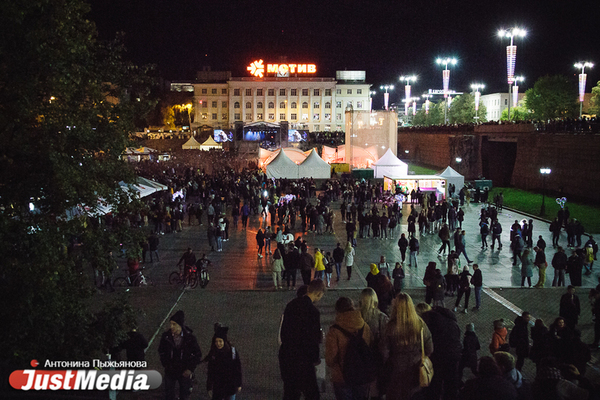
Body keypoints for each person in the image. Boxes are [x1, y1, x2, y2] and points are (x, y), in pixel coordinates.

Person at [381, 293, 433, 400]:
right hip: (416, 370)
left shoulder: (390, 327)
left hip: (396, 371)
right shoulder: (420, 324)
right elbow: (429, 348)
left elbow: (384, 352)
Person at [279, 279, 325, 400]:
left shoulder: (291, 304)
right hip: (303, 360)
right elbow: (313, 340)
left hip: (287, 356)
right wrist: (315, 359)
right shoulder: (313, 312)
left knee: (290, 393)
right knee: (312, 394)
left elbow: (284, 332)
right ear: (319, 294)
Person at [325, 297, 373, 399]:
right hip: (362, 373)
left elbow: (330, 359)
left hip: (342, 377)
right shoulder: (365, 326)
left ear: (337, 310)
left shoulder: (334, 331)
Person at [418, 303, 462, 400]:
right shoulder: (449, 319)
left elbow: (428, 343)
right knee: (451, 382)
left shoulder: (428, 322)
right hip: (455, 354)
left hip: (439, 356)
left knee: (435, 383)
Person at [158, 311, 203, 400]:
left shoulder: (190, 338)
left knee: (184, 394)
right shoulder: (166, 337)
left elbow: (198, 354)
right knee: (169, 394)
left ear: (180, 325)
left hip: (184, 371)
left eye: (174, 324)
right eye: (170, 324)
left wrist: (190, 369)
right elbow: (161, 351)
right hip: (170, 370)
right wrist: (166, 364)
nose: (171, 327)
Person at [359, 288, 389, 400]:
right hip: (377, 360)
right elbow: (386, 342)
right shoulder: (382, 317)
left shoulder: (356, 317)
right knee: (376, 392)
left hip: (360, 359)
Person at [205, 324, 242, 400]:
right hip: (218, 387)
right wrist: (209, 386)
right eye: (216, 341)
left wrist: (238, 384)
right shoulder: (214, 353)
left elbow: (237, 368)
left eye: (220, 341)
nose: (218, 344)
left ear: (224, 341)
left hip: (230, 386)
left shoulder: (232, 352)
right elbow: (210, 371)